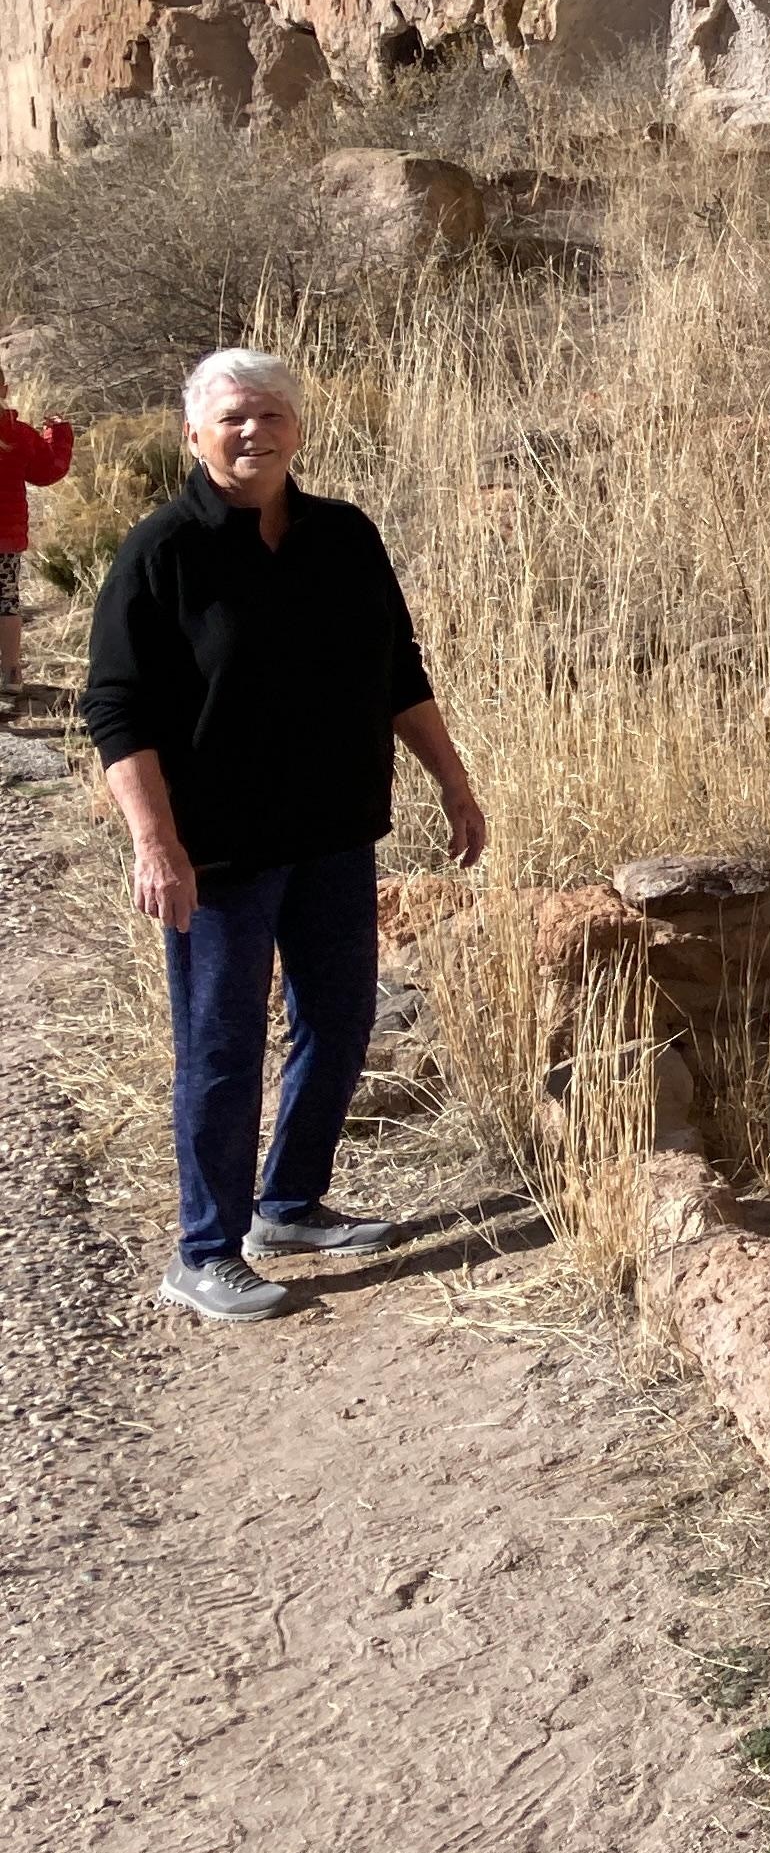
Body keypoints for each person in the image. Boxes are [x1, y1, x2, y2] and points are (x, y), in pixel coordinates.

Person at [84, 347, 487, 1322]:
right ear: (193, 435)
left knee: (340, 1022)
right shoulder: (159, 553)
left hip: (337, 832)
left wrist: (455, 784)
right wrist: (156, 844)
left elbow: (399, 672)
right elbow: (116, 711)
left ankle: (291, 1204)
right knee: (220, 1046)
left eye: (270, 415)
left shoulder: (343, 537)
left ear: (299, 430)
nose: (252, 433)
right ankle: (203, 1250)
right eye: (231, 419)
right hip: (218, 853)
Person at [0, 361, 68, 712]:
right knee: (7, 602)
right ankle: (10, 674)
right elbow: (48, 471)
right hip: (5, 540)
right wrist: (57, 434)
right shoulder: (18, 435)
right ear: (5, 390)